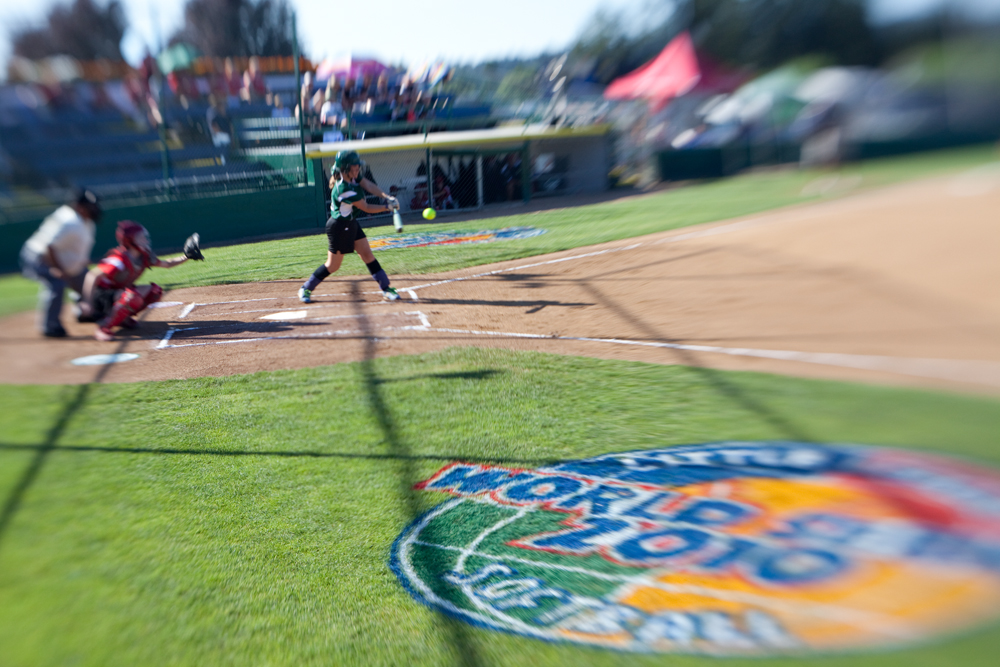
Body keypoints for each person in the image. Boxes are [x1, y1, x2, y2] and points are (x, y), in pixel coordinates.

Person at [297, 150, 400, 304]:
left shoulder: (353, 177)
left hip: (351, 223)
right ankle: (306, 288)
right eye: (354, 167)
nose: (357, 169)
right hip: (338, 227)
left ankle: (386, 289)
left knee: (367, 256)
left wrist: (386, 197)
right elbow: (365, 207)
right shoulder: (344, 189)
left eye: (358, 166)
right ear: (344, 169)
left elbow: (368, 185)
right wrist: (387, 207)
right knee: (333, 265)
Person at [83, 221, 191, 341]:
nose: (145, 240)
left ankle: (122, 318)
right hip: (101, 297)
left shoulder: (143, 256)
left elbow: (167, 264)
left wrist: (186, 256)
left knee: (155, 291)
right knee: (132, 297)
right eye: (140, 238)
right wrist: (87, 302)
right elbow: (92, 276)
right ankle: (103, 327)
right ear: (130, 240)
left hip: (117, 293)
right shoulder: (118, 259)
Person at [19, 189, 103, 337]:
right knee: (57, 283)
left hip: (59, 258)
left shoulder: (84, 220)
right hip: (39, 257)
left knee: (87, 282)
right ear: (79, 206)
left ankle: (83, 312)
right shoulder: (69, 222)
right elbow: (49, 247)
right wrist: (57, 269)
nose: (95, 209)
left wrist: (79, 262)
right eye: (91, 206)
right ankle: (50, 326)